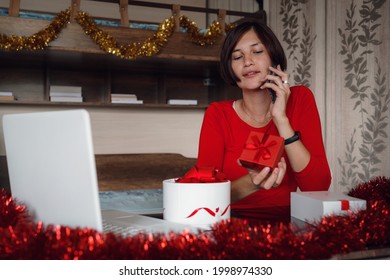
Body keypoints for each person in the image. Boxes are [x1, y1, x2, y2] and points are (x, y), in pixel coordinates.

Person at [196, 20, 332, 221]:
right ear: (230, 67)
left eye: (257, 52)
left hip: (293, 223)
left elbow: (318, 187)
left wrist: (282, 120)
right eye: (237, 56)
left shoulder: (301, 98)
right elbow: (204, 197)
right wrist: (252, 183)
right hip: (232, 223)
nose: (247, 61)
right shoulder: (218, 114)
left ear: (273, 57)